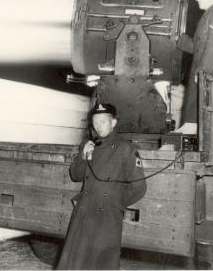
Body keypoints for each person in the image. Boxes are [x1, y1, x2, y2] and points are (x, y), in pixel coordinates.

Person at [56, 103, 147, 270]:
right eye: (95, 123)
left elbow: (139, 187)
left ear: (113, 123)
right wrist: (83, 156)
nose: (98, 126)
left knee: (101, 263)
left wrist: (114, 202)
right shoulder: (89, 145)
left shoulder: (126, 149)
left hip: (107, 216)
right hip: (84, 212)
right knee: (76, 262)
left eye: (103, 122)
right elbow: (75, 176)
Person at [173, 0, 213, 135]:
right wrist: (180, 40)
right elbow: (200, 47)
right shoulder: (210, 14)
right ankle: (190, 127)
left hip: (209, 70)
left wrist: (203, 72)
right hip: (203, 68)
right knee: (195, 103)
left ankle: (192, 130)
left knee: (203, 104)